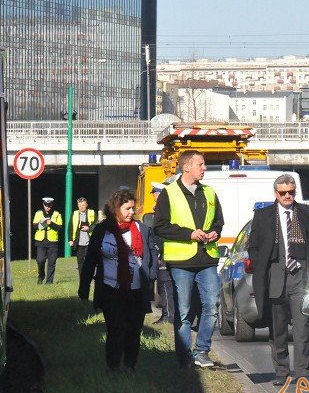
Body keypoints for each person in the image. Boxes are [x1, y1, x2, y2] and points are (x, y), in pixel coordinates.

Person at [153, 150, 224, 369]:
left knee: (212, 306)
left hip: (207, 259)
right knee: (182, 312)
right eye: (200, 164)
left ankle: (202, 351)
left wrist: (214, 233)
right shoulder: (169, 193)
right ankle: (184, 356)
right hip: (181, 261)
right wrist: (189, 234)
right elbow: (160, 227)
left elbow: (219, 222)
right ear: (186, 167)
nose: (204, 168)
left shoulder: (210, 192)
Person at [248, 174, 309, 385]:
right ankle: (281, 373)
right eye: (283, 193)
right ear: (276, 193)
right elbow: (253, 246)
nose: (287, 196)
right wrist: (259, 264)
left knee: (302, 327)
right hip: (275, 277)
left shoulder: (307, 213)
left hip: (300, 276)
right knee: (277, 329)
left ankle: (301, 373)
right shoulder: (263, 216)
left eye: (291, 192)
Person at [78, 189, 157, 371]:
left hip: (136, 290)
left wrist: (150, 278)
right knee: (115, 331)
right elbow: (90, 260)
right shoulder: (101, 231)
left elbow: (151, 254)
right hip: (111, 290)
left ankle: (130, 367)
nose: (132, 212)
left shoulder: (141, 229)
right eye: (127, 208)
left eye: (133, 208)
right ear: (115, 208)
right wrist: (84, 288)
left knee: (133, 331)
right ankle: (113, 368)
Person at [143, 182, 174, 325]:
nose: (154, 196)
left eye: (155, 193)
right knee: (164, 285)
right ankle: (168, 314)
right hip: (165, 251)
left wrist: (160, 251)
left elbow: (163, 232)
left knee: (165, 284)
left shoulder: (165, 210)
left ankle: (169, 316)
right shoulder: (162, 209)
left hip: (166, 252)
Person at [32, 196, 63, 284]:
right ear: (43, 204)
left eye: (49, 205)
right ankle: (41, 275)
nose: (47, 207)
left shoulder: (57, 214)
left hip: (52, 242)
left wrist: (51, 223)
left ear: (52, 205)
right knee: (40, 260)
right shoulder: (38, 213)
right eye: (46, 205)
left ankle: (49, 281)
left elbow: (60, 227)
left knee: (52, 262)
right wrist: (41, 223)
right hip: (40, 242)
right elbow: (34, 226)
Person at [70, 197, 97, 272]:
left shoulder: (92, 213)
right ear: (78, 206)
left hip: (90, 241)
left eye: (83, 205)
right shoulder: (74, 214)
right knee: (80, 261)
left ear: (87, 205)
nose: (82, 207)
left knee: (89, 260)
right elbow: (70, 227)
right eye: (80, 205)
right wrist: (70, 239)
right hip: (78, 242)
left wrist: (88, 228)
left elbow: (97, 224)